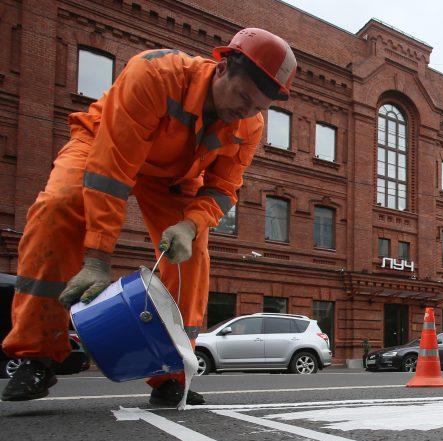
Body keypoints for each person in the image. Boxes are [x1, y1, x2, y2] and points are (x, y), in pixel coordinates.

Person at [2, 29, 296, 405]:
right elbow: (111, 168)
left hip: (175, 177)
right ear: (222, 68)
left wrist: (190, 226)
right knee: (57, 209)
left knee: (192, 258)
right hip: (102, 143)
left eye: (258, 107)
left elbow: (223, 188)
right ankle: (36, 355)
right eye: (243, 98)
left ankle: (172, 372)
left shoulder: (248, 125)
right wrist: (97, 259)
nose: (246, 112)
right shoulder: (155, 74)